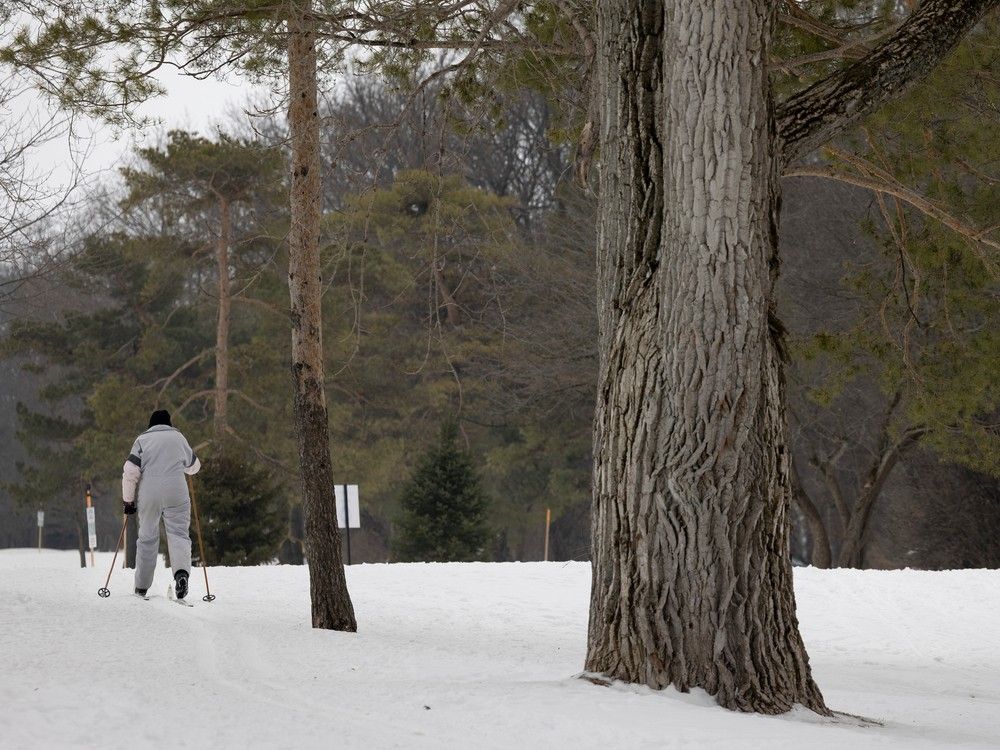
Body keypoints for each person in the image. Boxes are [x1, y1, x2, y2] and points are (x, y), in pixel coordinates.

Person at [122, 409, 201, 599]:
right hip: (177, 490)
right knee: (179, 534)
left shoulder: (142, 440)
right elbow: (194, 466)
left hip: (150, 492)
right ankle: (181, 574)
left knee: (147, 537)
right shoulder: (179, 437)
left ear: (151, 425)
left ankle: (141, 586)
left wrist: (128, 501)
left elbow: (130, 471)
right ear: (168, 423)